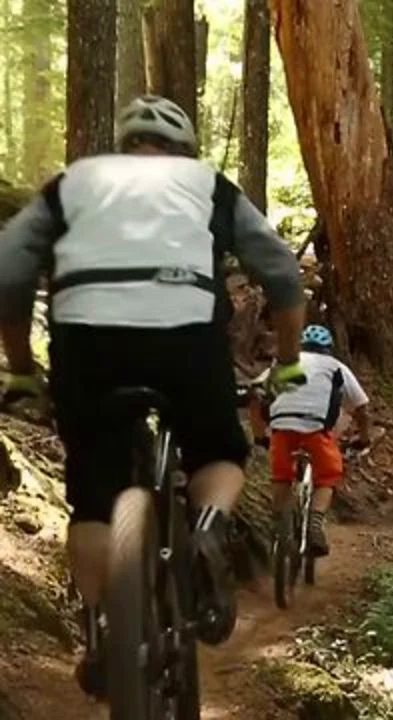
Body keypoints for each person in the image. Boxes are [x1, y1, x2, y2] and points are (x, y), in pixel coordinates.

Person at [0, 95, 306, 698]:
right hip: (186, 338)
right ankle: (211, 526)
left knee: (92, 493)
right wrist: (290, 362)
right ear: (184, 150)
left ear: (122, 144)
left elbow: (9, 272)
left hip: (88, 344)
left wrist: (21, 370)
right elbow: (282, 273)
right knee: (218, 447)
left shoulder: (73, 183)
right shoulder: (206, 185)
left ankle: (100, 629)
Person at [265, 324, 372, 557]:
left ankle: (280, 522)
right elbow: (361, 408)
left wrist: (261, 433)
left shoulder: (286, 362)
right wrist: (364, 438)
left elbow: (264, 393)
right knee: (328, 475)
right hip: (315, 428)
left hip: (281, 426)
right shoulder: (335, 367)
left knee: (281, 475)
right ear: (329, 349)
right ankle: (315, 526)